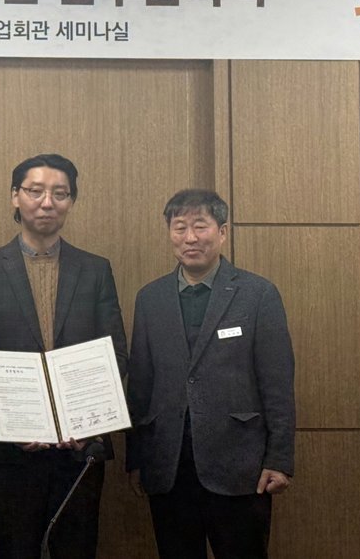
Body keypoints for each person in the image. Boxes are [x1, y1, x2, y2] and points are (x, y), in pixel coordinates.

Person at [0, 153, 128, 559]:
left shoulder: (95, 269)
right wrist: (19, 421)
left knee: (78, 547)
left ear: (72, 201)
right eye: (35, 191)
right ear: (14, 196)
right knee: (15, 547)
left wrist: (85, 421)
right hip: (12, 444)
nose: (47, 202)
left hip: (81, 444)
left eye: (60, 193)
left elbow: (114, 352)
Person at [126, 189, 295, 559]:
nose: (190, 237)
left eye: (200, 226)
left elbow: (278, 384)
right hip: (169, 466)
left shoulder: (257, 294)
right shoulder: (150, 298)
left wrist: (279, 459)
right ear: (170, 233)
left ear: (222, 232)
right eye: (180, 227)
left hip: (240, 465)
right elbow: (140, 386)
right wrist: (136, 459)